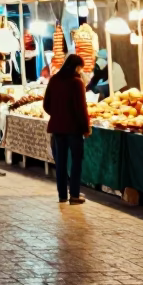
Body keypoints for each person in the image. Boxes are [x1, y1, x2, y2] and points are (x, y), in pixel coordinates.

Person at [43, 53, 91, 205]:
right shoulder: (76, 83)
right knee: (76, 162)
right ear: (77, 67)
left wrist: (57, 115)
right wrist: (86, 127)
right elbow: (81, 109)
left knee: (61, 163)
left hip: (57, 128)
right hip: (74, 129)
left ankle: (62, 195)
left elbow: (46, 105)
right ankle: (74, 195)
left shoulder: (55, 79)